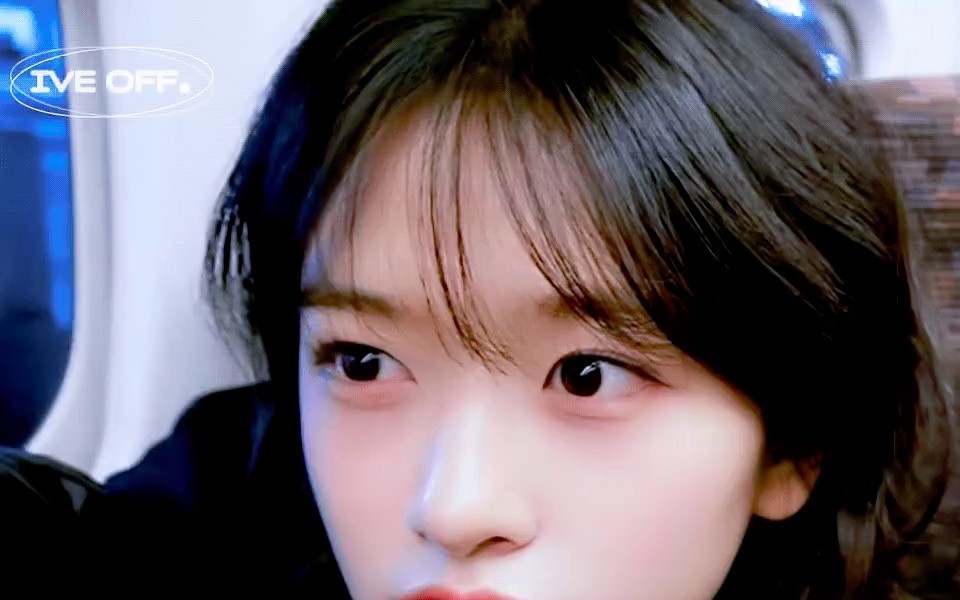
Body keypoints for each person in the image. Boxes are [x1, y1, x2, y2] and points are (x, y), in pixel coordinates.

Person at [2, 1, 958, 598]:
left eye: (588, 376)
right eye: (362, 362)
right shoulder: (247, 474)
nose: (452, 508)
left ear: (793, 447)